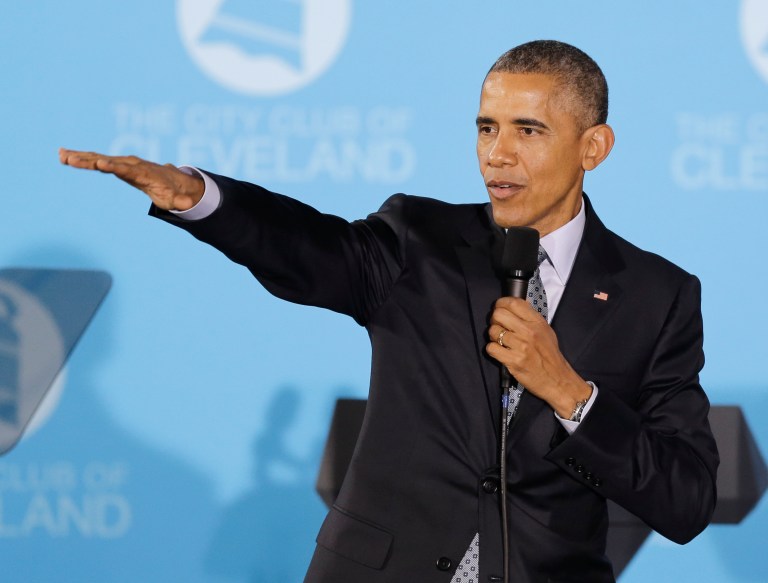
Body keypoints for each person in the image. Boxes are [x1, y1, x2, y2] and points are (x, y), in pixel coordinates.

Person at [60, 40, 718, 583]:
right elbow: (307, 248)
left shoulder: (656, 296)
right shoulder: (421, 241)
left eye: (529, 130)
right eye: (486, 127)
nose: (498, 153)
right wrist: (203, 201)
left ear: (593, 147)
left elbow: (685, 501)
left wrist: (573, 396)